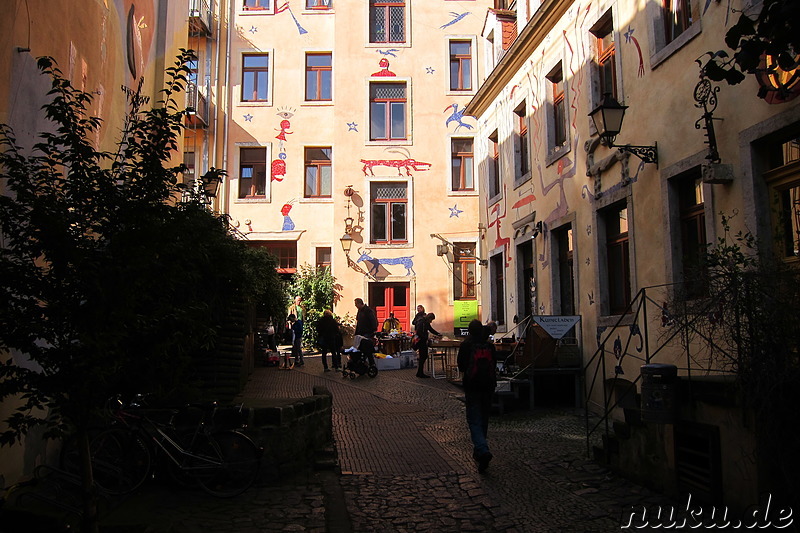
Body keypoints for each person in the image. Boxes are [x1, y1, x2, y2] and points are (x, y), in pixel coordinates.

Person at [457, 319, 498, 473]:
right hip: (488, 386)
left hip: (472, 386)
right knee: (484, 418)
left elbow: (461, 365)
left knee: (474, 419)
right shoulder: (489, 345)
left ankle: (482, 449)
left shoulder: (466, 345)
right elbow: (494, 363)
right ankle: (480, 449)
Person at [414, 312, 441, 378]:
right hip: (421, 341)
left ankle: (419, 372)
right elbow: (419, 332)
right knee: (423, 356)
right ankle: (420, 373)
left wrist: (438, 334)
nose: (431, 321)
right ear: (429, 318)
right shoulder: (422, 322)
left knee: (423, 356)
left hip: (423, 340)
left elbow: (430, 329)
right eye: (431, 320)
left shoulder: (425, 322)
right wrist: (426, 337)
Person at [354, 298, 378, 367]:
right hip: (361, 333)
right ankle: (363, 363)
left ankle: (371, 363)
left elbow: (373, 321)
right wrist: (356, 333)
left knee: (366, 348)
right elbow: (358, 323)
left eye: (356, 304)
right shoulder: (359, 311)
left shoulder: (368, 311)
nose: (355, 306)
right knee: (361, 348)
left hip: (368, 332)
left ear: (359, 303)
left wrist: (373, 330)